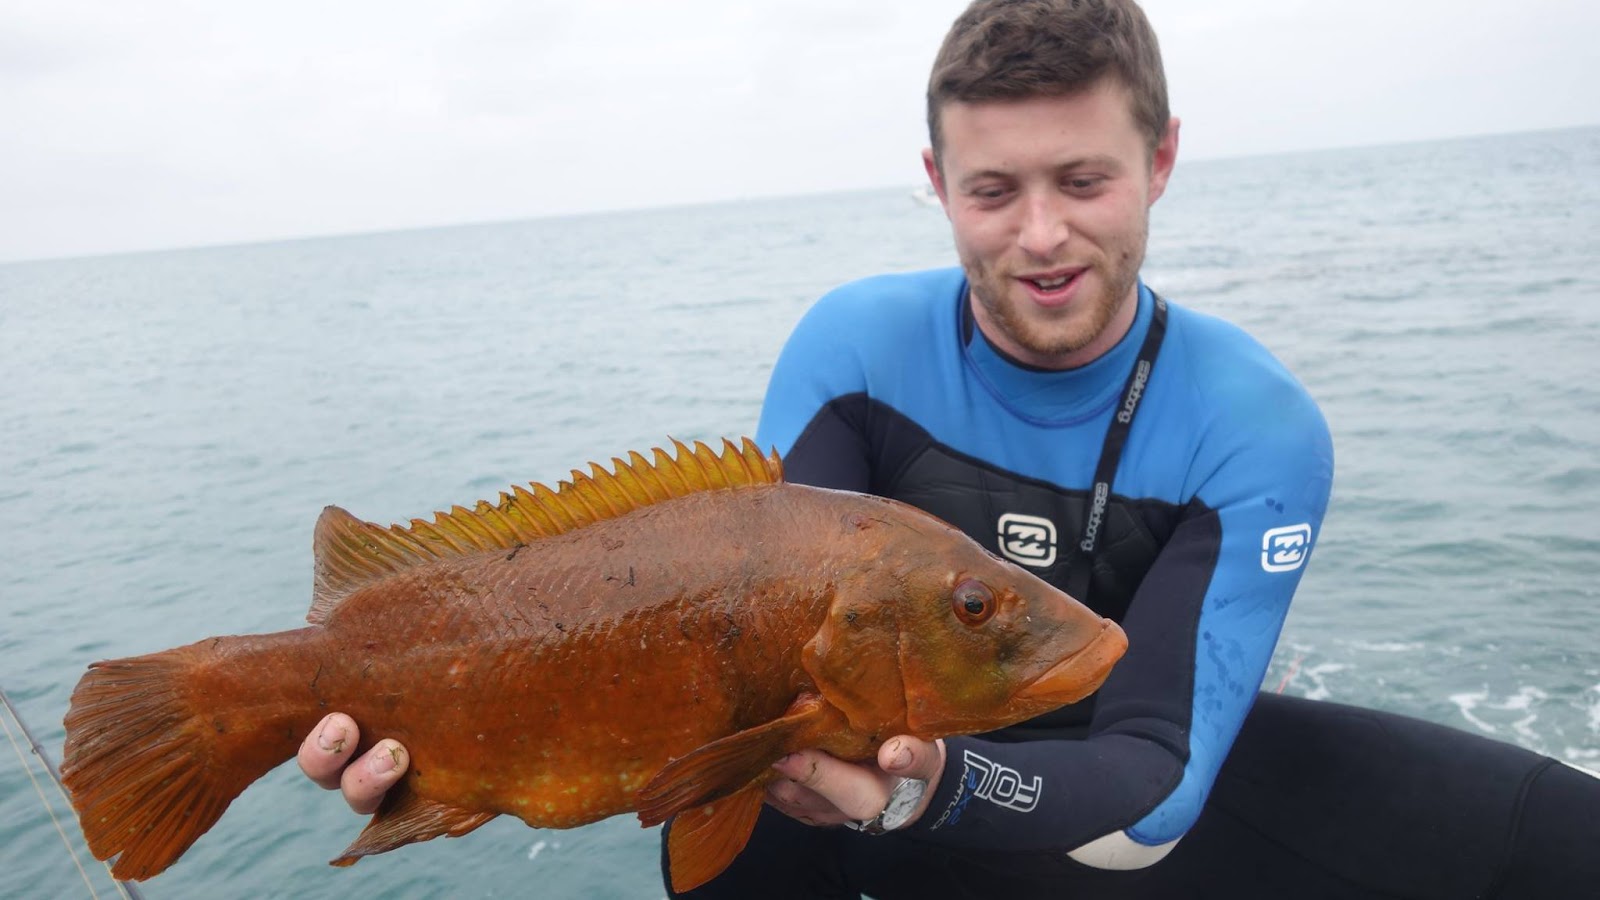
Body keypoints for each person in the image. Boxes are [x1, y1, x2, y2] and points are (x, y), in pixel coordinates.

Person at [299, 1, 1600, 896]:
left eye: (1083, 180)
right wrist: (466, 731)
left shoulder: (1256, 428)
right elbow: (740, 622)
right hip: (827, 792)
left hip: (1087, 823)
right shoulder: (853, 348)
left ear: (1161, 161)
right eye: (994, 189)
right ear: (936, 180)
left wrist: (931, 794)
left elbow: (1155, 783)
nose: (1040, 233)